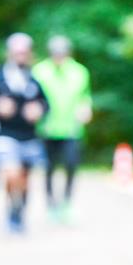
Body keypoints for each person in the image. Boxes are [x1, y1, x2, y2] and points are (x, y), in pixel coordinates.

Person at [0, 33, 48, 233]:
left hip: (29, 137)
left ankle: (18, 211)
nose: (21, 56)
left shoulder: (33, 78)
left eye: (24, 52)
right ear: (10, 53)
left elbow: (46, 104)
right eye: (17, 52)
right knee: (11, 173)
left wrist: (39, 109)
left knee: (25, 179)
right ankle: (10, 209)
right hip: (5, 134)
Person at [31, 35, 92, 223]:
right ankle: (51, 204)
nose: (59, 57)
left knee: (71, 165)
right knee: (48, 168)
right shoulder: (39, 71)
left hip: (72, 129)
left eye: (62, 53)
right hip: (47, 129)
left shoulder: (80, 72)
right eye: (56, 53)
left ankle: (67, 203)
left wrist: (86, 107)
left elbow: (85, 96)